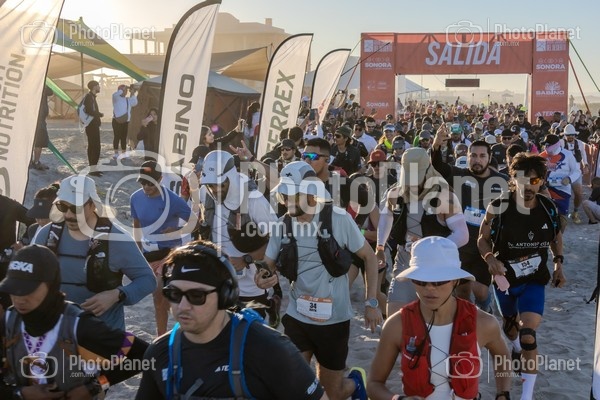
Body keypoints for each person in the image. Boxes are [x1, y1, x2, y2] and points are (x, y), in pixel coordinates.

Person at [135, 241, 326, 400]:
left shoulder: (269, 349)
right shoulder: (160, 353)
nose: (183, 306)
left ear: (225, 296)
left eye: (197, 296)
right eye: (175, 294)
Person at [255, 161, 383, 400]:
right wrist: (263, 276)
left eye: (293, 195)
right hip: (297, 316)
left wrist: (371, 302)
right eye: (284, 195)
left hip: (334, 320)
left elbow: (369, 258)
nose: (287, 201)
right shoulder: (283, 224)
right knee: (292, 387)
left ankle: (355, 382)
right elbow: (267, 264)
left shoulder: (338, 219)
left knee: (332, 393)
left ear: (311, 193)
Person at [367, 236, 511, 400]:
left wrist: (503, 393)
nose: (429, 288)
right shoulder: (396, 325)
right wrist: (398, 399)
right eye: (421, 280)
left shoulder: (483, 322)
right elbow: (373, 384)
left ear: (455, 281)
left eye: (438, 281)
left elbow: (503, 357)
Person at [0, 245, 150, 399]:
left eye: (27, 289)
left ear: (51, 285)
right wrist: (20, 393)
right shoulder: (9, 321)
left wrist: (95, 386)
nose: (19, 298)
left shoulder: (79, 326)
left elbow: (146, 355)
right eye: (13, 288)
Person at [478, 153, 565, 400]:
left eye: (535, 181)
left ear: (542, 181)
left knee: (528, 335)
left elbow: (556, 237)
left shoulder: (548, 208)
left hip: (534, 279)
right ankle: (515, 346)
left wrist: (558, 264)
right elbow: (482, 238)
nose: (528, 186)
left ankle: (526, 396)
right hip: (505, 279)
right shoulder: (498, 207)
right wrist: (490, 259)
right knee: (510, 329)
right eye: (522, 180)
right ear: (513, 179)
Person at [32, 175, 156, 331]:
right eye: (63, 206)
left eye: (76, 208)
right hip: (56, 331)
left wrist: (117, 295)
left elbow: (148, 280)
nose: (69, 214)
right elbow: (27, 276)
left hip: (102, 334)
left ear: (92, 205)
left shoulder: (117, 239)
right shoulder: (47, 235)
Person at [376, 147, 468, 316]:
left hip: (437, 264)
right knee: (395, 315)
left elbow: (462, 234)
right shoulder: (394, 194)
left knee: (434, 318)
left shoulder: (444, 196)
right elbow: (386, 217)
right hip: (405, 259)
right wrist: (380, 246)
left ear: (428, 171)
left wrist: (432, 247)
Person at [199, 150, 281, 327]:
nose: (215, 190)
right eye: (211, 185)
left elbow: (277, 240)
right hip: (219, 282)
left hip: (252, 287)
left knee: (248, 335)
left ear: (230, 176)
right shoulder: (206, 195)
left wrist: (246, 259)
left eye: (220, 184)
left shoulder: (254, 200)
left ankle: (272, 301)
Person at [431, 127, 509, 313]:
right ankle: (470, 320)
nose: (477, 160)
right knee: (462, 291)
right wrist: (436, 146)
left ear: (489, 158)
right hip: (461, 244)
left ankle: (485, 309)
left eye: (482, 156)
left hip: (485, 245)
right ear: (467, 157)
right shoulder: (459, 175)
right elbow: (438, 167)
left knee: (480, 291)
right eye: (473, 155)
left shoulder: (503, 181)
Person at [131, 161, 194, 336]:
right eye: (143, 182)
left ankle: (164, 336)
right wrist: (138, 249)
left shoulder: (173, 200)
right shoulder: (135, 198)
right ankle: (162, 335)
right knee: (158, 300)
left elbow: (195, 222)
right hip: (148, 254)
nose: (146, 187)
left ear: (160, 179)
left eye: (150, 183)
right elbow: (136, 225)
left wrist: (177, 230)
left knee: (159, 295)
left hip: (169, 253)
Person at [539, 133, 581, 231]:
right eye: (545, 145)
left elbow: (577, 171)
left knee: (562, 220)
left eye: (548, 145)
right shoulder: (541, 156)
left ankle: (559, 237)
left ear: (555, 144)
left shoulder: (568, 155)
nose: (546, 147)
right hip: (546, 190)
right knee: (545, 217)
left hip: (562, 191)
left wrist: (569, 179)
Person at [561, 124, 588, 224]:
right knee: (563, 195)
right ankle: (562, 215)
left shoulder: (579, 143)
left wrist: (585, 164)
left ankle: (575, 212)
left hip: (575, 173)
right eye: (568, 135)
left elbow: (583, 154)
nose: (570, 137)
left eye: (572, 135)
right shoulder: (561, 142)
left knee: (579, 194)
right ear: (565, 135)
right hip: (563, 173)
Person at [82, 80, 104, 176]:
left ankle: (93, 168)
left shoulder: (91, 97)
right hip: (91, 125)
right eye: (98, 85)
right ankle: (92, 169)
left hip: (92, 125)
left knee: (93, 146)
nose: (99, 87)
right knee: (95, 147)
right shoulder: (89, 97)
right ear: (94, 87)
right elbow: (89, 110)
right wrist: (99, 114)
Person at [111, 84, 138, 161]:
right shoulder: (116, 98)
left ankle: (123, 154)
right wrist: (122, 88)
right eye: (124, 90)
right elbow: (115, 94)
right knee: (116, 137)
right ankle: (116, 153)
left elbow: (135, 103)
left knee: (123, 137)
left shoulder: (127, 99)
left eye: (126, 90)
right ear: (119, 90)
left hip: (125, 121)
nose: (125, 92)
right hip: (116, 121)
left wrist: (132, 93)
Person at [30, 86, 54, 170]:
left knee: (37, 141)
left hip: (38, 118)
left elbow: (50, 92)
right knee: (39, 142)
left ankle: (34, 161)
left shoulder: (38, 85)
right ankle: (36, 162)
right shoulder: (36, 85)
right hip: (38, 119)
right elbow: (50, 92)